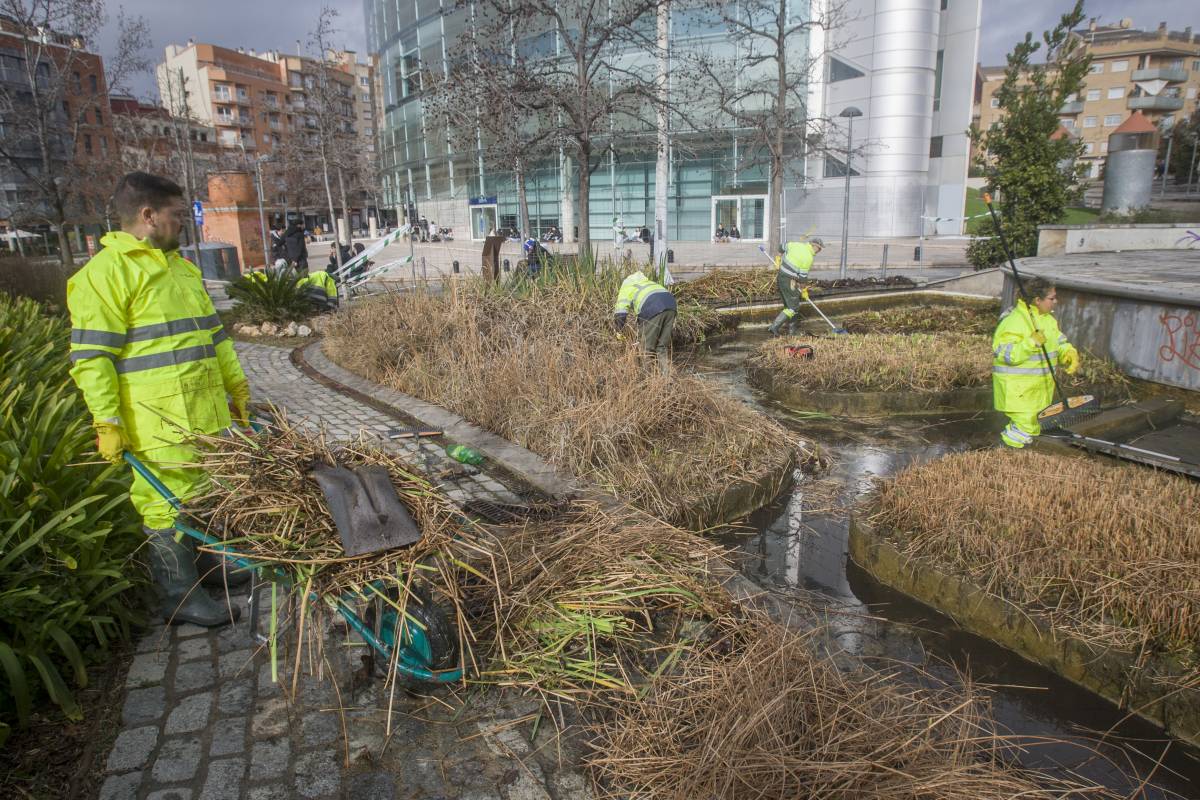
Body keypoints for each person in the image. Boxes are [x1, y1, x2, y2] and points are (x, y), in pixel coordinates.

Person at [67, 172, 250, 628]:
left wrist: (237, 389)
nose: (184, 222)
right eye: (175, 214)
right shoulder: (104, 276)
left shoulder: (182, 271)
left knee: (206, 492)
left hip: (203, 411)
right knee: (166, 503)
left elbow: (214, 339)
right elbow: (92, 359)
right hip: (156, 419)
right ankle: (179, 595)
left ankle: (205, 568)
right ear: (147, 216)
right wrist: (107, 422)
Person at [992, 277, 1079, 449]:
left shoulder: (1048, 320)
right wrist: (1030, 343)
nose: (1055, 301)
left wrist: (1068, 352)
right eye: (1051, 298)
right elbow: (1005, 354)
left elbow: (1058, 341)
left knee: (1035, 425)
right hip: (1018, 390)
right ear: (1037, 300)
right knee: (1025, 427)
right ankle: (1005, 453)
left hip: (1039, 389)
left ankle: (1017, 455)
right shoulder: (1014, 321)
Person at [613, 270, 677, 375]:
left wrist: (619, 332)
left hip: (653, 308)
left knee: (646, 349)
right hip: (671, 305)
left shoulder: (627, 287)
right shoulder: (648, 283)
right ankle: (668, 379)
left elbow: (621, 313)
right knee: (662, 347)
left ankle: (647, 381)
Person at [766, 237, 823, 335]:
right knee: (793, 307)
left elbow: (781, 247)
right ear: (814, 246)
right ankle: (774, 327)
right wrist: (804, 290)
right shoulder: (808, 257)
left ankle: (792, 331)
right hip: (790, 281)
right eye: (819, 248)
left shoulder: (796, 244)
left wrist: (778, 257)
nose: (819, 251)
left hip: (781, 276)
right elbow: (802, 278)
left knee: (789, 306)